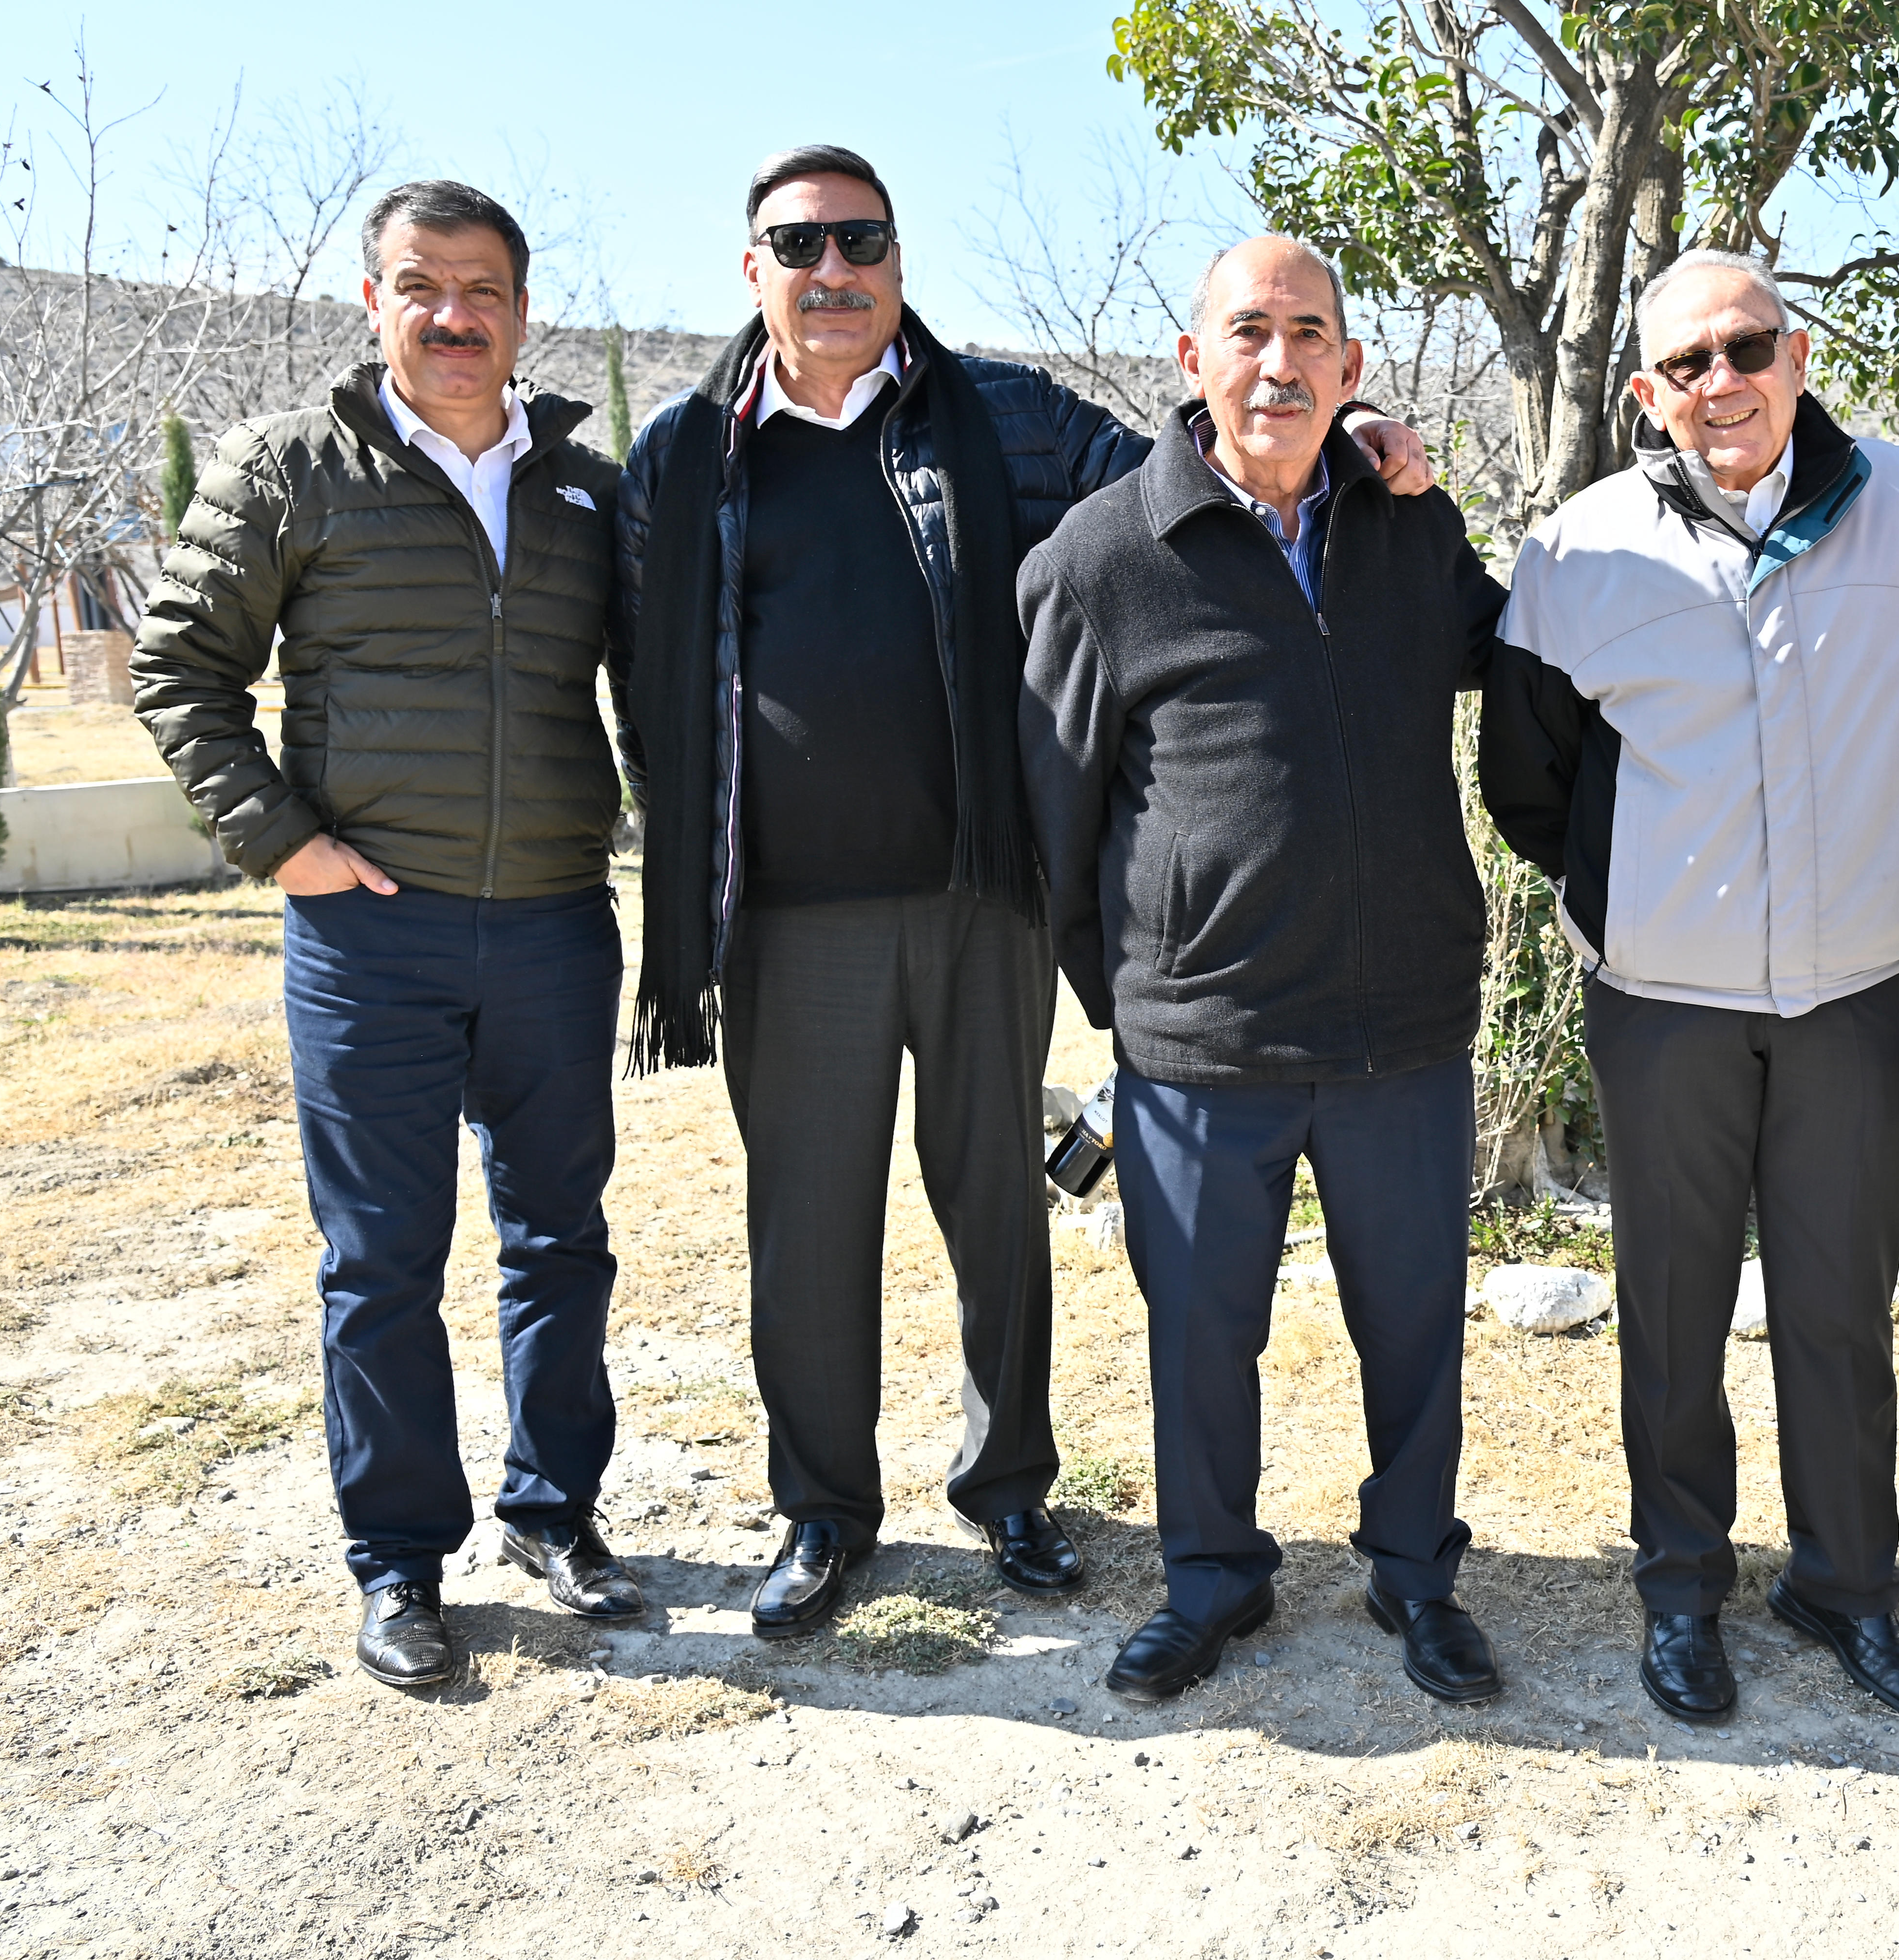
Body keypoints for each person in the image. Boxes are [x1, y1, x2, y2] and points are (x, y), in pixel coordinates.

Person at [614, 150, 1436, 1638]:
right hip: (788, 917)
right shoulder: (684, 452)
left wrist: (1346, 422)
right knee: (806, 1226)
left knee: (998, 1205)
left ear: (897, 259)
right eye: (800, 246)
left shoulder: (1005, 417)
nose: (833, 270)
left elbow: (1198, 468)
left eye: (861, 240)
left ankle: (1009, 1488)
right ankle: (824, 1509)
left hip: (980, 893)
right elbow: (641, 661)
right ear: (753, 271)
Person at [1479, 249, 1899, 1729]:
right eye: (1687, 363)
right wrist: (1630, 903)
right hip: (1663, 1006)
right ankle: (1682, 1590)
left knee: (1838, 1311)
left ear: (1800, 353)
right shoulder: (1579, 554)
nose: (1723, 382)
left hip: (1853, 995)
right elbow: (1529, 781)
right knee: (1674, 1316)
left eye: (1747, 348)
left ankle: (1847, 1588)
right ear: (1648, 392)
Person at [132, 180, 640, 1689]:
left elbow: (670, 681)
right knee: (381, 1263)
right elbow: (180, 668)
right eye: (422, 286)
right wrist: (286, 846)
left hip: (554, 924)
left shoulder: (586, 491)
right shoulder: (291, 468)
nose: (453, 315)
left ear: (523, 312)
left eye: (482, 289)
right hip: (372, 941)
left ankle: (555, 1514)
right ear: (376, 304)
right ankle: (401, 1564)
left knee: (562, 1239)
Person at [1019, 236, 1508, 1707]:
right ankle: (1211, 1579)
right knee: (1200, 1339)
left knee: (1414, 1332)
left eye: (1310, 337)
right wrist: (1141, 996)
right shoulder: (1102, 559)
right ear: (1194, 360)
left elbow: (1508, 665)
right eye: (1248, 332)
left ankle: (1416, 1574)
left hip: (1402, 1032)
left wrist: (1397, 463)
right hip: (1200, 1044)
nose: (1278, 363)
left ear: (1351, 369)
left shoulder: (1412, 528)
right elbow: (1058, 822)